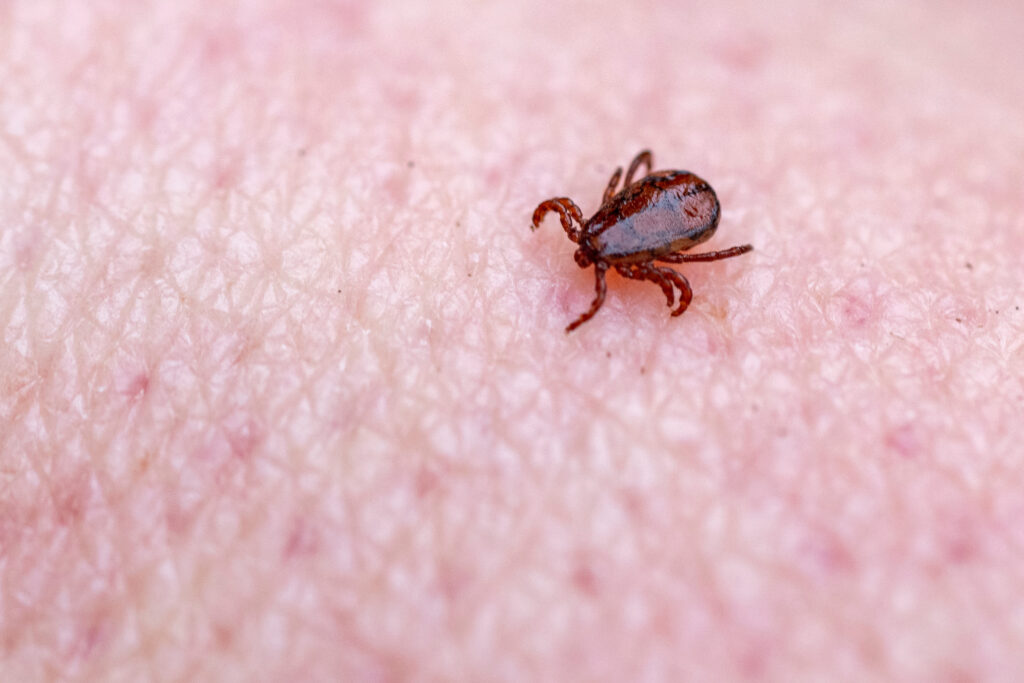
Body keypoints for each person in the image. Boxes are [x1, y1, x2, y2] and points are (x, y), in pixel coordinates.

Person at [3, 1, 1022, 679]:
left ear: (611, 228)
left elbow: (679, 255)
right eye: (590, 238)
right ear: (610, 221)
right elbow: (669, 240)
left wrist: (612, 272)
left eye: (594, 244)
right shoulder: (625, 245)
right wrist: (615, 263)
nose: (590, 249)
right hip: (669, 204)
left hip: (669, 208)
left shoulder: (622, 251)